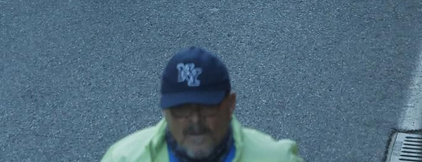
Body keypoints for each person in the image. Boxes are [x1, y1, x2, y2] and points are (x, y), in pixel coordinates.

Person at [99, 47, 302, 161]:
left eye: (207, 107)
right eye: (182, 109)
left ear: (230, 105)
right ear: (165, 111)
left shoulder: (278, 159)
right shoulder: (122, 158)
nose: (195, 120)